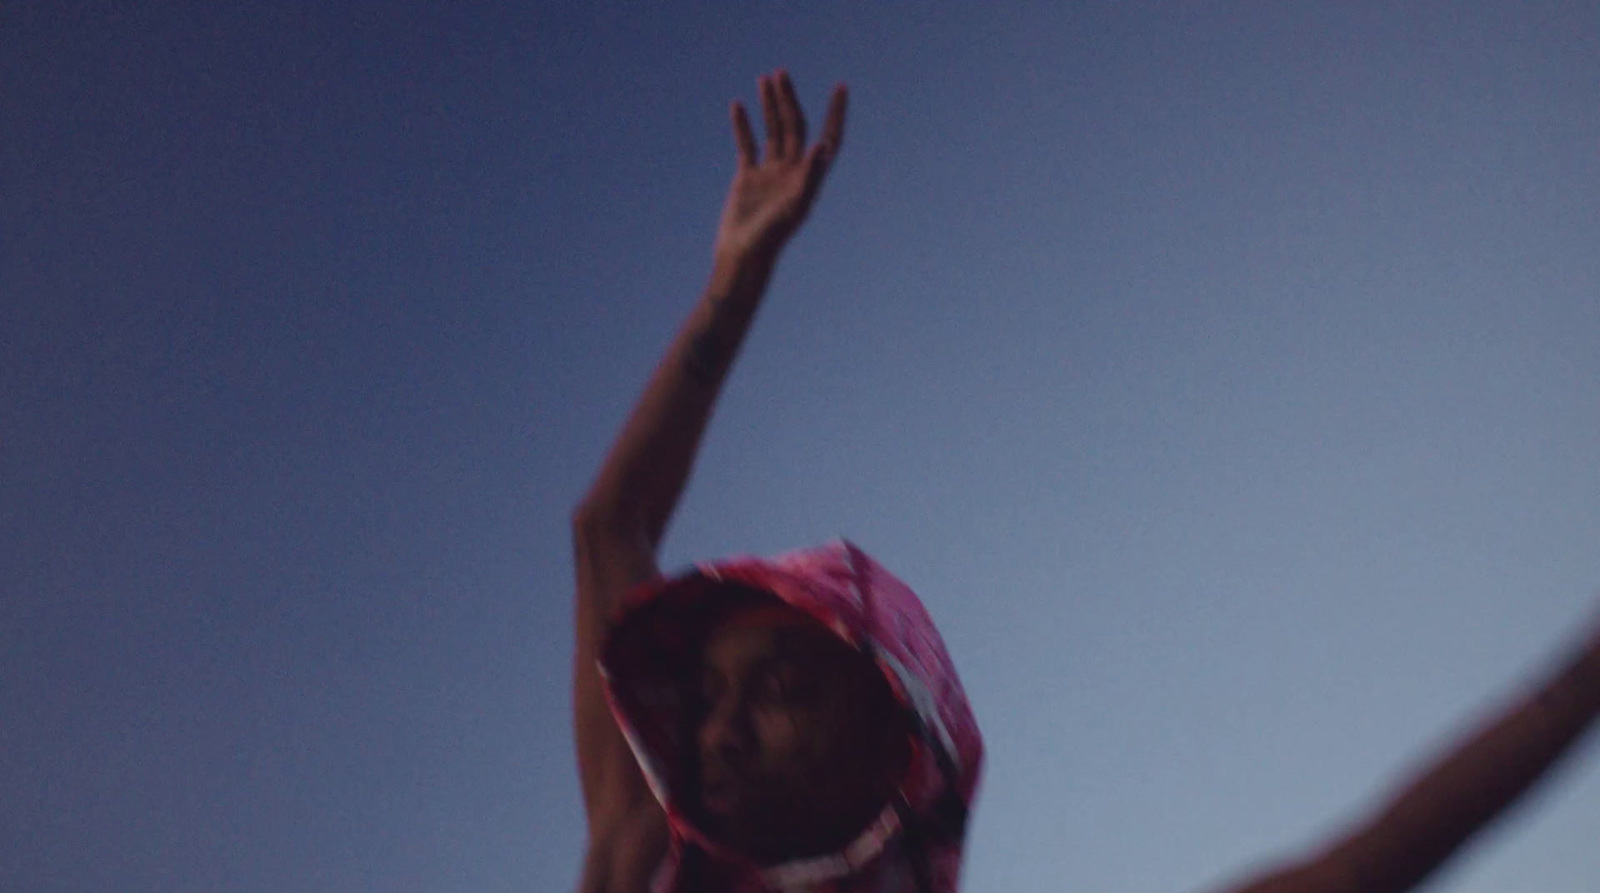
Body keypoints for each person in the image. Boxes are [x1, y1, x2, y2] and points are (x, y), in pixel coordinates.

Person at [571, 70, 1600, 893]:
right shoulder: (644, 856)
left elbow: (1363, 862)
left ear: (890, 731)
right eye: (703, 695)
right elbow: (610, 525)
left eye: (779, 688)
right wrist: (732, 287)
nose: (717, 728)